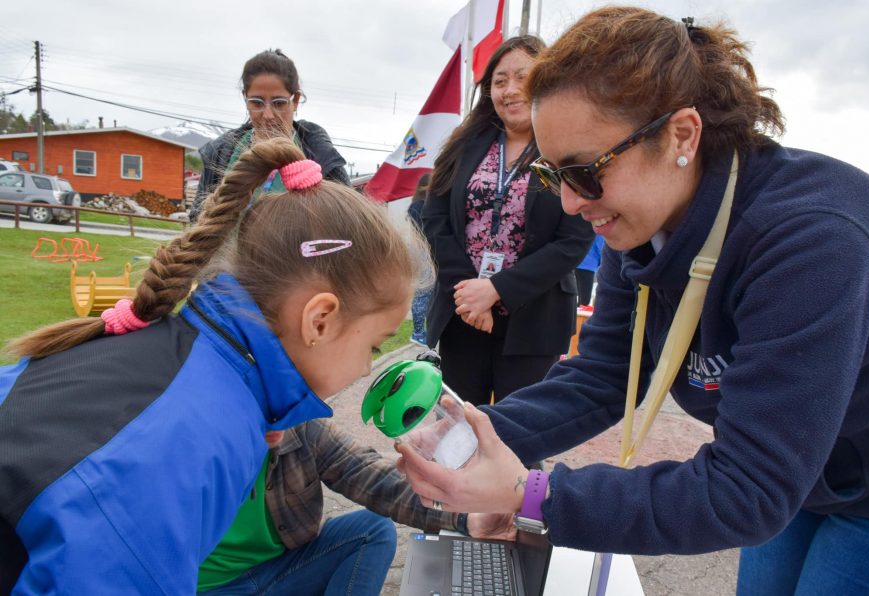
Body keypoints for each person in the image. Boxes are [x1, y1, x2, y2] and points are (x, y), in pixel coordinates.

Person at [398, 7, 869, 594]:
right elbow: (604, 376)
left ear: (682, 134)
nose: (573, 206)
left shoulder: (814, 240)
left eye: (584, 172)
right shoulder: (644, 223)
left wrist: (532, 495)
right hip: (805, 473)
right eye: (554, 178)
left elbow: (749, 491)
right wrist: (465, 436)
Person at [0, 136, 426, 594]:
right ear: (319, 320)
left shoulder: (182, 363)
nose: (366, 370)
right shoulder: (200, 435)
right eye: (375, 347)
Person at [423, 35, 593, 406]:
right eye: (500, 81)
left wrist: (497, 289)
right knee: (459, 427)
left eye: (523, 77)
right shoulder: (463, 144)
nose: (510, 90)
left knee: (519, 432)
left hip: (534, 317)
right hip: (463, 311)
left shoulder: (570, 147)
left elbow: (573, 240)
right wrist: (470, 293)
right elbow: (433, 218)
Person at [198, 421, 512, 595]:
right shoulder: (185, 442)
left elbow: (374, 477)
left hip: (280, 569)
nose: (364, 367)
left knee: (372, 530)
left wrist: (466, 518)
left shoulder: (299, 425)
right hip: (210, 588)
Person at [189, 49, 350, 223]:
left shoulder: (320, 154)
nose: (268, 115)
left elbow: (350, 221)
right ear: (245, 98)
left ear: (295, 100)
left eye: (279, 103)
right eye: (256, 103)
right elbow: (197, 222)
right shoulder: (220, 153)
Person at [407, 173, 433, 347]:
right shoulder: (419, 206)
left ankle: (423, 331)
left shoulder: (418, 204)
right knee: (422, 292)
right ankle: (417, 332)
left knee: (429, 292)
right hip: (421, 250)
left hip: (425, 250)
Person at [574, 235, 604, 308]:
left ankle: (576, 316)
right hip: (588, 266)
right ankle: (580, 317)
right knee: (585, 300)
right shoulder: (599, 232)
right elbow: (602, 249)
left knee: (578, 297)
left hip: (576, 263)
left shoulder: (584, 227)